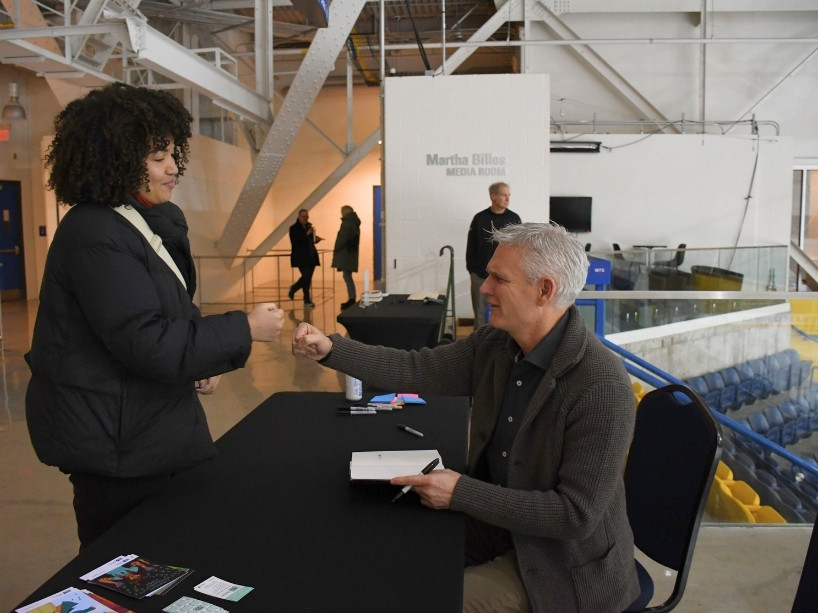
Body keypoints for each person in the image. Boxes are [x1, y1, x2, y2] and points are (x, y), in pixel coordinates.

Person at [293, 222, 640, 613]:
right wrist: (330, 350)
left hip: (558, 564)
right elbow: (415, 369)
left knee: (421, 598)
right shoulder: (496, 345)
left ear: (545, 290)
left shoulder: (601, 385)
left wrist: (461, 493)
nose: (484, 287)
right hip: (498, 525)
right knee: (384, 554)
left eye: (498, 278)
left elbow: (575, 516)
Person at [25, 83, 285, 549]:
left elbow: (166, 316)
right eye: (157, 157)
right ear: (117, 160)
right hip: (115, 444)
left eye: (172, 154)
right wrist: (243, 329)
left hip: (141, 429)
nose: (173, 168)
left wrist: (202, 362)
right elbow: (148, 342)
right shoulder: (95, 234)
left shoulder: (135, 222)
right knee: (123, 567)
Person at [466, 182, 521, 329]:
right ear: (493, 196)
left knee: (506, 313)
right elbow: (471, 247)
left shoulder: (514, 219)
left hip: (506, 278)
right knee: (480, 315)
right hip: (480, 276)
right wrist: (472, 270)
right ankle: (478, 347)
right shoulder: (479, 218)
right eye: (504, 195)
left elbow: (519, 248)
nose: (507, 199)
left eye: (509, 195)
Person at [288, 209, 322, 308]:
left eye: (307, 217)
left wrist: (316, 239)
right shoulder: (293, 228)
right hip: (301, 257)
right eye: (304, 216)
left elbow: (311, 241)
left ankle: (306, 300)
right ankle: (294, 289)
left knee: (308, 279)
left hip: (311, 256)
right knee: (306, 277)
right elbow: (295, 241)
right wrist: (306, 234)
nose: (306, 219)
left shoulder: (309, 226)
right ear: (299, 217)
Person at [332, 205, 361, 310]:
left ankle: (352, 298)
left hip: (345, 254)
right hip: (351, 254)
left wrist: (336, 248)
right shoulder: (354, 223)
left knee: (347, 277)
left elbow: (342, 238)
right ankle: (351, 298)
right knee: (347, 276)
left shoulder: (347, 223)